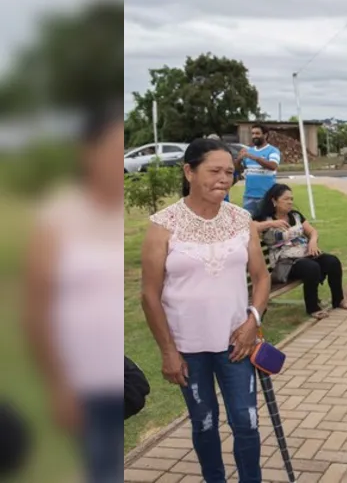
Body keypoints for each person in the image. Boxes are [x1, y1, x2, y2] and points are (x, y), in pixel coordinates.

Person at [141, 138, 271, 483]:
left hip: (236, 343)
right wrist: (168, 351)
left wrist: (252, 322)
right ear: (189, 171)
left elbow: (260, 279)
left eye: (229, 171)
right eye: (214, 170)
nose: (224, 178)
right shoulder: (163, 224)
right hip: (187, 348)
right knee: (205, 422)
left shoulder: (241, 219)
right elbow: (149, 295)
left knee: (246, 422)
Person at [25, 100, 126, 483]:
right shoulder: (58, 216)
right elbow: (35, 310)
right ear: (87, 152)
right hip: (81, 383)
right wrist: (57, 384)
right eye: (111, 151)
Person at [254, 183, 347, 319]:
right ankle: (312, 307)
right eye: (286, 199)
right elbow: (250, 227)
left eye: (291, 199)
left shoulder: (296, 216)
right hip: (286, 263)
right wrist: (271, 224)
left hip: (305, 255)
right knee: (311, 267)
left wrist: (312, 241)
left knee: (332, 261)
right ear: (274, 200)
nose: (290, 202)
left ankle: (338, 299)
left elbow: (312, 231)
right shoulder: (265, 219)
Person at [240, 124, 281, 214]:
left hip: (266, 196)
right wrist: (239, 158)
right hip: (248, 196)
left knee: (267, 223)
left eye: (257, 133)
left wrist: (254, 157)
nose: (254, 136)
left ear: (265, 135)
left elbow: (273, 166)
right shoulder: (249, 151)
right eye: (253, 133)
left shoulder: (273, 150)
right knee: (249, 224)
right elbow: (239, 169)